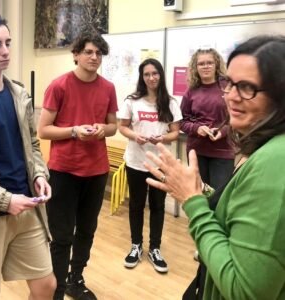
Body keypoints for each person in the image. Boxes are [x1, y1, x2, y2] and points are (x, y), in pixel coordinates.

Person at [144, 35, 285, 300]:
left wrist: (193, 201)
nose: (231, 96)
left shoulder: (275, 161)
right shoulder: (265, 146)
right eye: (230, 84)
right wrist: (201, 192)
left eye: (246, 87)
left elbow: (244, 290)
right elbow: (239, 214)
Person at [38, 31, 118, 300]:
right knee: (61, 237)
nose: (94, 57)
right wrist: (74, 131)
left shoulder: (108, 88)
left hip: (96, 171)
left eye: (98, 53)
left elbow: (113, 126)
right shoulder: (59, 86)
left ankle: (76, 280)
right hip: (64, 172)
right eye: (88, 52)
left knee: (87, 230)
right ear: (76, 55)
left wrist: (101, 130)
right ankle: (57, 290)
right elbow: (44, 130)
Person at [0, 14, 55, 300]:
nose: (5, 51)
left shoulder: (18, 94)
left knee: (46, 286)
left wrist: (39, 174)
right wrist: (5, 200)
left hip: (27, 206)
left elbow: (33, 145)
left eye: (8, 43)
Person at [118, 58, 182, 273]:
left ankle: (155, 248)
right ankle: (136, 245)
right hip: (136, 162)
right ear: (142, 77)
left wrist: (162, 138)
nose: (151, 77)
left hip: (160, 163)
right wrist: (135, 136)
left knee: (157, 206)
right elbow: (123, 127)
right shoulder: (132, 101)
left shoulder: (170, 102)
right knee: (136, 205)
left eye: (155, 73)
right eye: (147, 74)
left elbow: (175, 132)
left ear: (161, 75)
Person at [180, 48, 234, 190]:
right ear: (195, 67)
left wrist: (222, 132)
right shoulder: (190, 91)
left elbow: (236, 118)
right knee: (200, 194)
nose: (206, 66)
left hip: (223, 151)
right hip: (197, 152)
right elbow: (182, 121)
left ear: (216, 64)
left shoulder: (228, 87)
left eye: (209, 62)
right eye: (201, 64)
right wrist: (197, 128)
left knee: (218, 198)